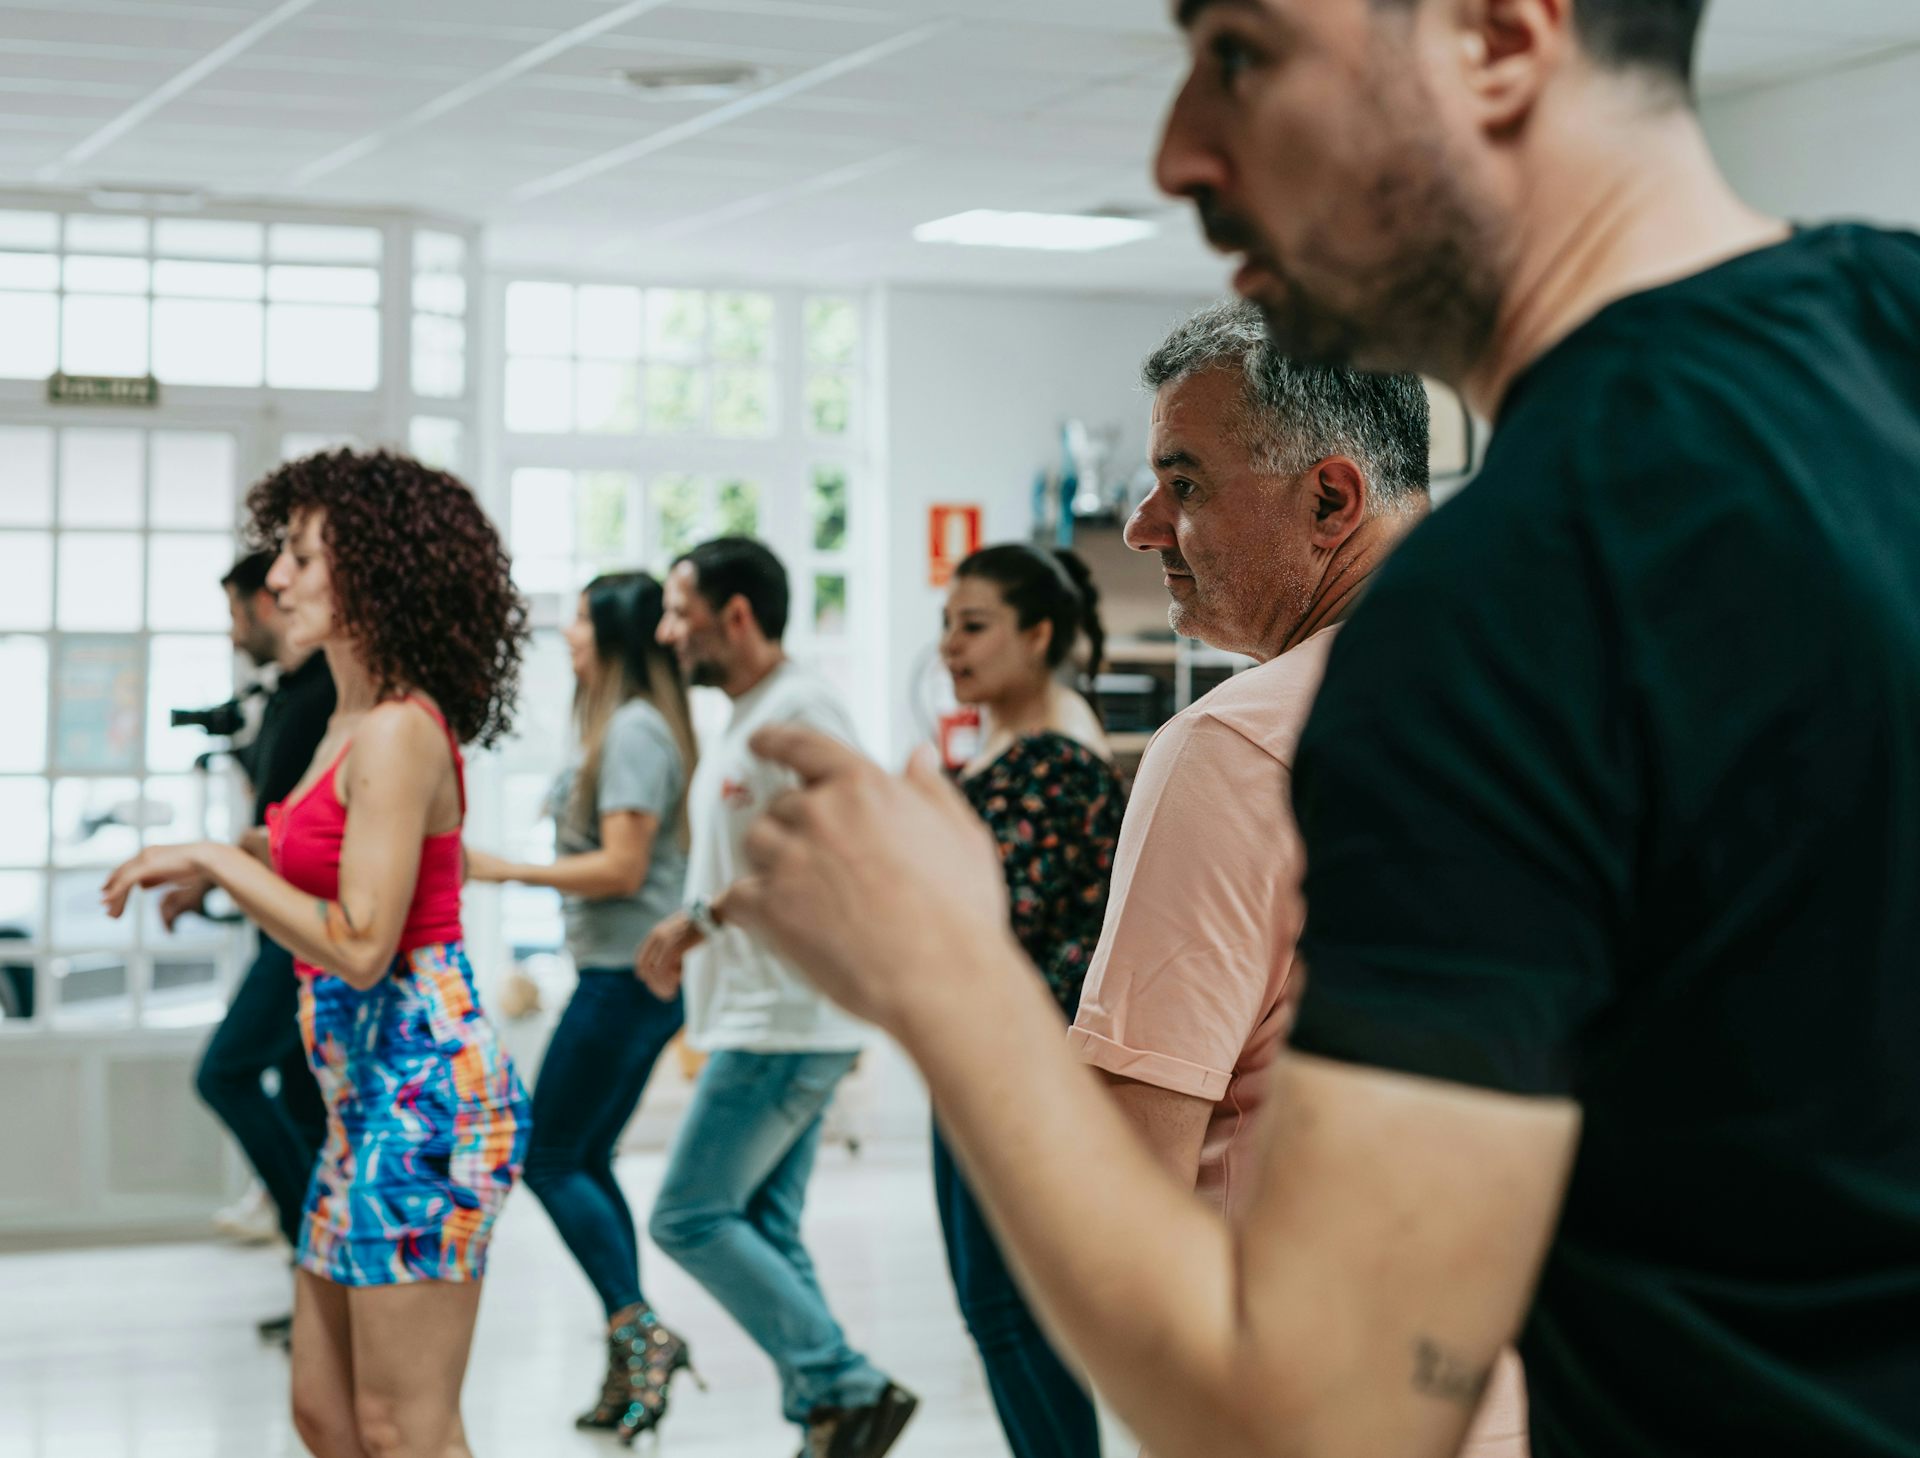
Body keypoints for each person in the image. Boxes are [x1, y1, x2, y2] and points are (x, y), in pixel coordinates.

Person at [710, 3, 1920, 1457]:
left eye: (1242, 54)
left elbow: (1320, 1425)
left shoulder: (1497, 609)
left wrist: (943, 975)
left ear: (1496, 31)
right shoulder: (1889, 347)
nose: (1178, 153)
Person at [1067, 301, 1525, 1457]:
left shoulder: (1238, 751)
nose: (1140, 525)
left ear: (1331, 499)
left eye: (1186, 483)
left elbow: (1122, 1203)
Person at [104, 449, 532, 1458]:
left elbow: (362, 943)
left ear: (376, 569)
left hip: (427, 1090)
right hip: (364, 1096)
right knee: (327, 1415)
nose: (278, 581)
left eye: (299, 556)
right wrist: (234, 862)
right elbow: (329, 853)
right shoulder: (346, 718)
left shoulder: (395, 729)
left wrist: (217, 853)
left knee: (402, 1428)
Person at [634, 538, 916, 1458]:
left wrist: (703, 919)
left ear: (738, 614)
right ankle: (828, 1419)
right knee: (759, 1223)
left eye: (682, 610)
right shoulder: (746, 713)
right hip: (767, 1016)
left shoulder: (800, 709)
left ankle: (847, 1384)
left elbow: (845, 855)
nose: (669, 630)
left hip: (788, 1020)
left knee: (687, 1215)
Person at [463, 571, 701, 1444]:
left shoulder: (634, 731)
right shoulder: (619, 727)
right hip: (616, 974)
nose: (564, 634)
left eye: (576, 621)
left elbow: (623, 869)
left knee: (549, 1153)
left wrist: (499, 869)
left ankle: (640, 1329)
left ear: (610, 635)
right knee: (583, 1156)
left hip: (624, 980)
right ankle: (631, 1345)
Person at [937, 543, 1124, 1458]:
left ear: (1038, 634)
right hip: (984, 1058)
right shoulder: (1006, 744)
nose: (950, 647)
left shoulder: (1058, 756)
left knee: (1013, 1315)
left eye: (974, 627)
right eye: (947, 625)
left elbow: (1007, 924)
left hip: (1020, 1067)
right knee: (997, 1314)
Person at [168, 554, 334, 1280]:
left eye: (241, 611)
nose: (239, 630)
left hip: (310, 939)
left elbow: (289, 844)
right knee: (303, 1105)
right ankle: (319, 1280)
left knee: (226, 1073)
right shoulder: (296, 697)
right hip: (295, 932)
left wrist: (205, 869)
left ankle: (309, 1247)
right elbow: (276, 832)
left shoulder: (333, 704)